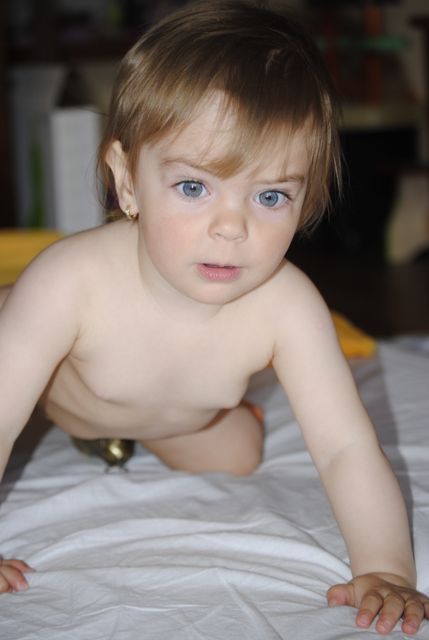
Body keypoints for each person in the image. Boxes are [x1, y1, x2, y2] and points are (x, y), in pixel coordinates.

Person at [0, 0, 428, 633]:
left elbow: (344, 447)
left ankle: (130, 435)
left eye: (271, 195)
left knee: (237, 458)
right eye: (194, 187)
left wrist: (386, 568)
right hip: (54, 389)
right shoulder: (71, 282)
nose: (232, 227)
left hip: (170, 416)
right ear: (127, 182)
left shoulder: (288, 305)